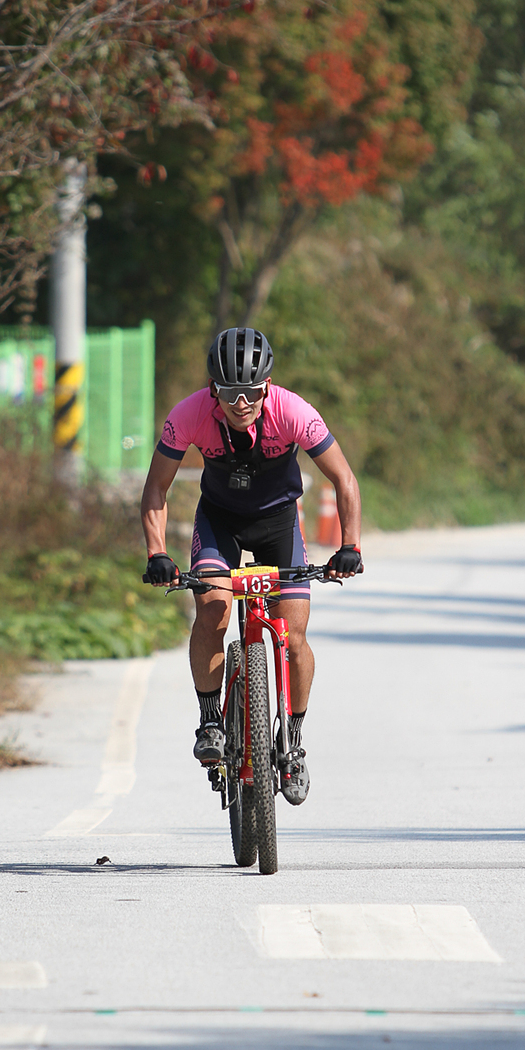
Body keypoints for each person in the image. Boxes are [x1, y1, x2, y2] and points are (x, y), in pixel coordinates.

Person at [140, 325, 363, 805]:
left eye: (252, 392)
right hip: (219, 521)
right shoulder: (188, 415)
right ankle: (210, 722)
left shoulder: (294, 412)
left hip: (279, 523)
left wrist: (351, 546)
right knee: (213, 610)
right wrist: (158, 553)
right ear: (212, 390)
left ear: (267, 386)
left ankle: (293, 743)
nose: (241, 404)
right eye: (228, 393)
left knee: (294, 636)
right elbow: (156, 487)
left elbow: (344, 478)